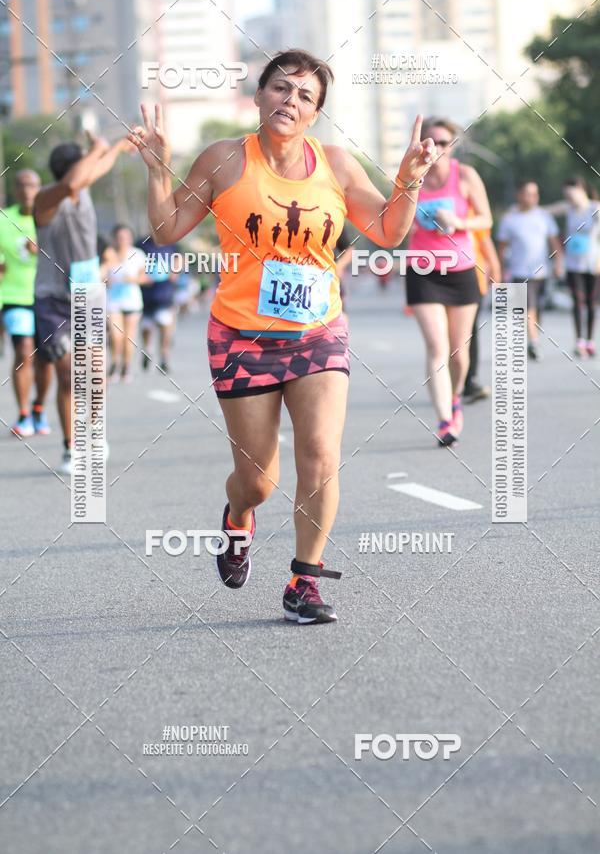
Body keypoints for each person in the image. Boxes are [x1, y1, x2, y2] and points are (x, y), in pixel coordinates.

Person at [129, 47, 435, 624]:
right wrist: (155, 169)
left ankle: (304, 581)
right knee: (259, 478)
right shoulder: (223, 160)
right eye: (280, 88)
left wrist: (408, 182)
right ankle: (238, 516)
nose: (290, 101)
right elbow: (167, 229)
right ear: (259, 95)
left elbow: (391, 231)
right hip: (242, 335)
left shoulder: (338, 166)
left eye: (304, 96)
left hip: (318, 330)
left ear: (316, 112)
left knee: (320, 454)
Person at [33, 133, 132, 473]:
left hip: (87, 295)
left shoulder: (83, 188)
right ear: (73, 169)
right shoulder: (46, 200)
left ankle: (91, 432)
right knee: (69, 376)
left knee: (94, 374)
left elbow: (95, 170)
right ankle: (69, 446)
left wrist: (118, 146)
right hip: (53, 300)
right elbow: (79, 176)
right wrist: (99, 147)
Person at [405, 117, 497, 446]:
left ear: (452, 146)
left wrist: (458, 221)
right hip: (423, 268)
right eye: (430, 141)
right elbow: (397, 224)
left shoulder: (466, 176)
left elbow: (486, 218)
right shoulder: (411, 176)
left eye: (443, 142)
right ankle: (444, 419)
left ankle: (455, 397)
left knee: (459, 354)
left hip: (460, 270)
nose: (436, 147)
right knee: (436, 347)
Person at [0, 170, 53, 437]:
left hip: (47, 296)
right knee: (24, 349)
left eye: (31, 185)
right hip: (12, 296)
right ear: (15, 189)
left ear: (39, 187)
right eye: (21, 185)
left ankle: (39, 408)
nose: (26, 190)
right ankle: (22, 414)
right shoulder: (3, 218)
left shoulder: (50, 217)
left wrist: (42, 250)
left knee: (45, 359)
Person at [496, 180, 563, 361]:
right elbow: (501, 247)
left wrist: (558, 263)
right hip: (519, 272)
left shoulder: (544, 217)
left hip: (541, 272)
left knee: (537, 309)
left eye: (535, 194)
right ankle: (534, 342)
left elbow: (554, 242)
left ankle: (533, 336)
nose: (532, 198)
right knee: (528, 308)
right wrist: (500, 270)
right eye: (528, 193)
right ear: (519, 195)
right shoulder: (509, 219)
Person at [546, 177, 600, 357]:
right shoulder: (568, 208)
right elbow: (547, 210)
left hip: (592, 263)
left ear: (580, 189)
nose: (569, 198)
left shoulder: (595, 209)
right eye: (566, 195)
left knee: (591, 303)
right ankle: (579, 341)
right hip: (572, 263)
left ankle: (590, 341)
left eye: (571, 193)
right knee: (577, 301)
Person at [463, 211, 501, 403]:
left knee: (471, 332)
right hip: (440, 282)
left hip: (474, 282)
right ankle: (452, 380)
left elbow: (487, 248)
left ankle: (471, 380)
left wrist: (496, 278)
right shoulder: (434, 213)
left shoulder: (471, 217)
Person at [102, 224, 145, 382]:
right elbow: (101, 275)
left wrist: (132, 279)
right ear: (114, 238)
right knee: (116, 335)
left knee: (129, 337)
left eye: (126, 237)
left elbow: (144, 277)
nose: (123, 241)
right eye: (119, 237)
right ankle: (115, 363)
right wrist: (105, 280)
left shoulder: (138, 254)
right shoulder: (108, 254)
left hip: (132, 301)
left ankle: (126, 367)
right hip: (113, 301)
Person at [135, 235, 179, 373]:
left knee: (164, 326)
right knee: (146, 327)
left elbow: (179, 260)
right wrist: (141, 275)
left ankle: (164, 357)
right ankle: (147, 349)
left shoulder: (171, 243)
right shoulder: (141, 244)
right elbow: (134, 263)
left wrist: (175, 271)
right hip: (146, 294)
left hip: (165, 294)